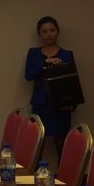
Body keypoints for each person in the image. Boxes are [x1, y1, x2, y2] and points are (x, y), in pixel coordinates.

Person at [25, 16, 75, 159]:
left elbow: (72, 81)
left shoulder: (67, 54)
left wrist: (72, 103)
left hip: (61, 106)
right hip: (40, 105)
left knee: (62, 147)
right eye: (45, 31)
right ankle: (36, 173)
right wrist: (46, 64)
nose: (49, 34)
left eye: (52, 30)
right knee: (37, 147)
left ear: (57, 31)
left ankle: (63, 174)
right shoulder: (34, 53)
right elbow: (28, 75)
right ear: (39, 34)